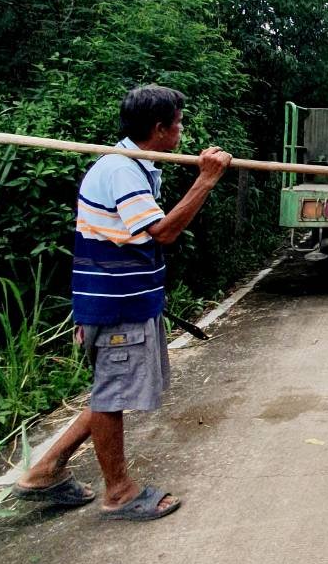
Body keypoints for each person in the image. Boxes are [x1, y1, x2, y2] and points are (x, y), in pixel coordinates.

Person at [13, 85, 231, 520]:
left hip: (120, 299)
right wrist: (206, 180)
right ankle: (119, 493)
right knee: (111, 397)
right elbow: (163, 233)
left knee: (109, 390)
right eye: (178, 123)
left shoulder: (136, 164)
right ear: (159, 129)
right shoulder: (122, 171)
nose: (182, 129)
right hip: (114, 304)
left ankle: (44, 470)